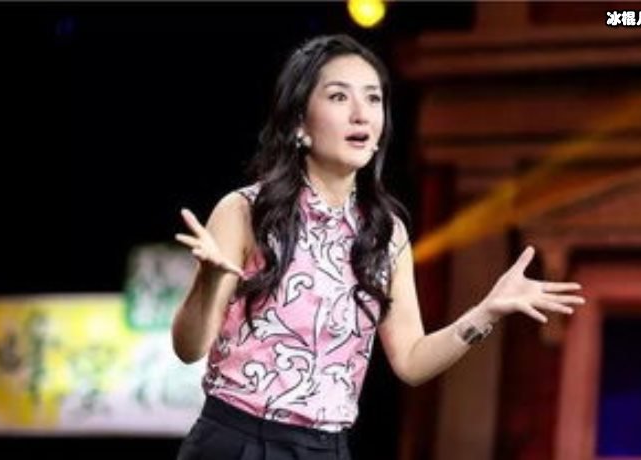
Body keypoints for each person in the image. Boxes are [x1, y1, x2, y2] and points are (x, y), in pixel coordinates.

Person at [171, 34, 584, 460]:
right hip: (235, 440)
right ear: (299, 124)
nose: (361, 113)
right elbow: (188, 349)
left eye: (373, 99)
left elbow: (411, 361)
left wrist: (487, 312)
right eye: (338, 96)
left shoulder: (385, 233)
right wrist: (209, 282)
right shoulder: (245, 211)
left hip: (325, 449)